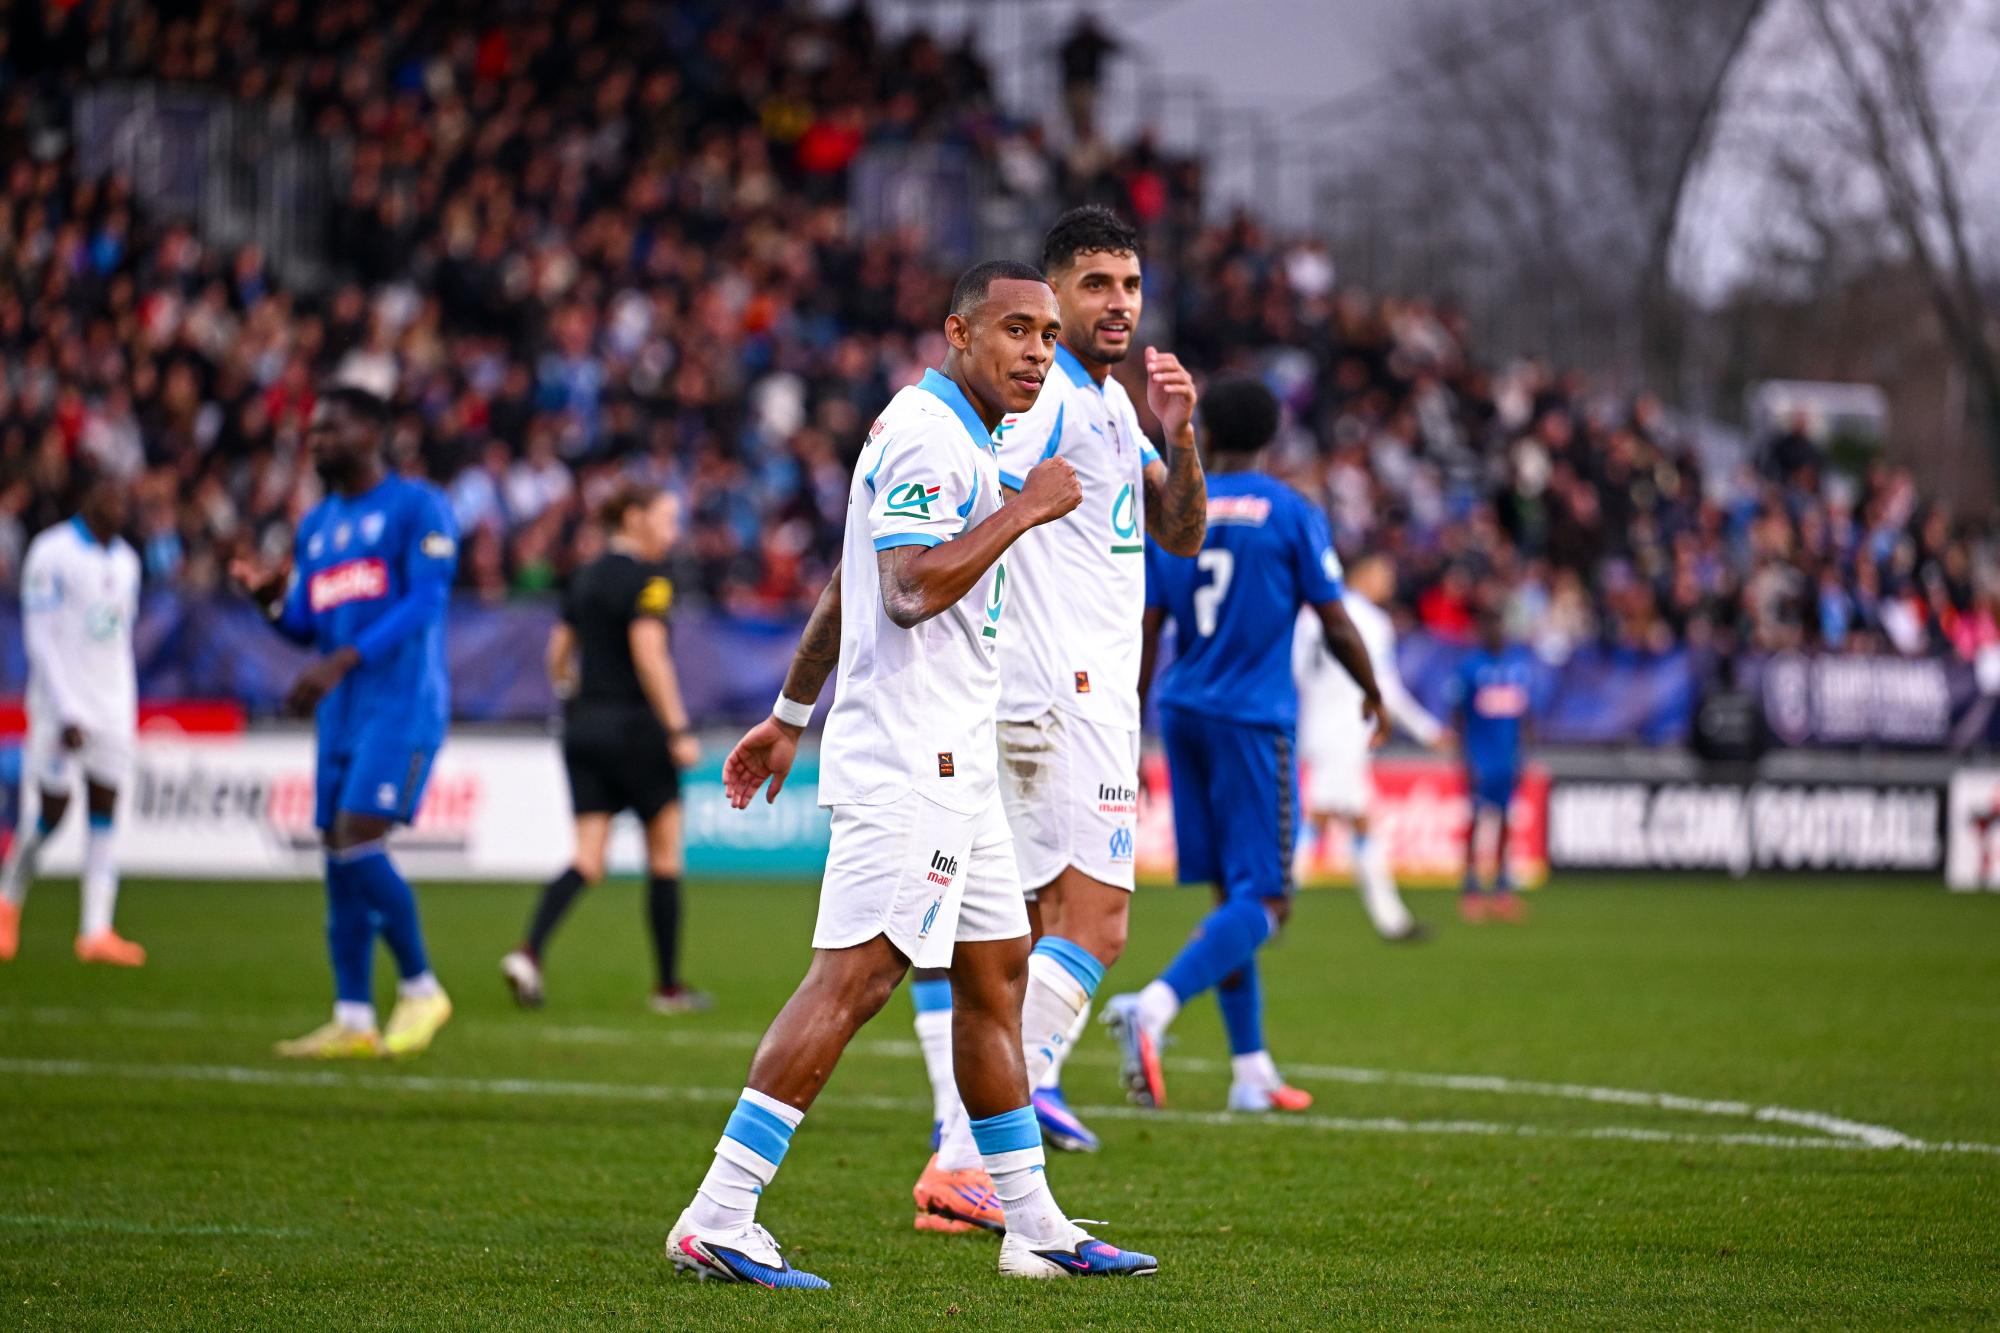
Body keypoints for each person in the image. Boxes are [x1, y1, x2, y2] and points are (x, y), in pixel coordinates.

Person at [672, 260, 1155, 1288]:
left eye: (1044, 337)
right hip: (911, 758)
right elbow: (899, 590)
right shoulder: (933, 437)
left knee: (995, 976)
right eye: (1015, 330)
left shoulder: (962, 441)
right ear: (957, 332)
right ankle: (718, 1210)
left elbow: (845, 591)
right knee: (856, 976)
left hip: (958, 755)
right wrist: (1026, 509)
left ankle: (1031, 1223)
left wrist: (787, 714)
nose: (1035, 351)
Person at [910, 205, 1208, 1202]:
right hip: (1057, 691)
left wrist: (1182, 434)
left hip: (1073, 695)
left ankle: (972, 1152)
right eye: (1093, 286)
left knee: (1026, 934)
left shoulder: (1111, 407)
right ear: (1052, 295)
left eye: (1127, 285)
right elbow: (982, 487)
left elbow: (1176, 532)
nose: (1116, 303)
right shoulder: (1049, 400)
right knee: (1099, 924)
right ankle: (964, 1150)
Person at [1106, 376, 1387, 1113]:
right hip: (1252, 717)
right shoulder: (1290, 511)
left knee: (1231, 893)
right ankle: (1156, 1006)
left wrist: (1132, 730)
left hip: (1182, 711)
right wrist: (1373, 690)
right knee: (1268, 898)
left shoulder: (1177, 509)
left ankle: (1250, 1070)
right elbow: (1333, 616)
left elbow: (1148, 626)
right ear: (1272, 435)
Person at [228, 385, 457, 1059]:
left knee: (359, 833)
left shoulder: (417, 505)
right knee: (335, 847)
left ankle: (420, 986)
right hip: (342, 709)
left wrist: (341, 662)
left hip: (402, 701)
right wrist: (270, 604)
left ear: (371, 432)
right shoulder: (317, 525)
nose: (317, 440)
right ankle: (353, 1015)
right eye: (313, 431)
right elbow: (307, 625)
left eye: (330, 429)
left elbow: (427, 600)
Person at [501, 482, 708, 1014]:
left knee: (587, 859)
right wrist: (679, 730)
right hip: (637, 729)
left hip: (584, 727)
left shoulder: (585, 575)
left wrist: (579, 701)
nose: (673, 530)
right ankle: (667, 988)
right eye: (665, 517)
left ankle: (529, 952)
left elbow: (557, 656)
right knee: (664, 854)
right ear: (635, 518)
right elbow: (650, 656)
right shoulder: (650, 578)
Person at [0, 474, 145, 966]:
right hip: (60, 709)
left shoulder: (127, 561)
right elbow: (39, 638)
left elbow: (119, 640)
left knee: (106, 808)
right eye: (108, 494)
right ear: (87, 498)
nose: (118, 504)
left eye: (122, 496)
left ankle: (96, 931)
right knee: (51, 815)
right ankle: (7, 899)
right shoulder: (52, 551)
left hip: (113, 709)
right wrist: (66, 708)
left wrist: (122, 706)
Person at [1293, 552, 1452, 943]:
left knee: (1356, 821)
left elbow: (1296, 670)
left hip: (1316, 725)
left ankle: (1392, 920)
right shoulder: (1371, 622)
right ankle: (1267, 910)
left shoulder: (1309, 615)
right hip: (1349, 729)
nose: (1390, 583)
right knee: (1320, 817)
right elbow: (1384, 690)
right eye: (1384, 573)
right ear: (1363, 572)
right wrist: (1428, 730)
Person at [1451, 601, 1536, 922]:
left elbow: (1527, 716)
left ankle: (1502, 889)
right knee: (1475, 821)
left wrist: (1524, 755)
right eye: (1490, 624)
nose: (1496, 631)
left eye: (1500, 624)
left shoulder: (1519, 665)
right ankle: (1471, 888)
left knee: (1505, 821)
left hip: (1508, 757)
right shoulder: (1471, 667)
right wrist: (1465, 758)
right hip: (1480, 757)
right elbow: (1459, 716)